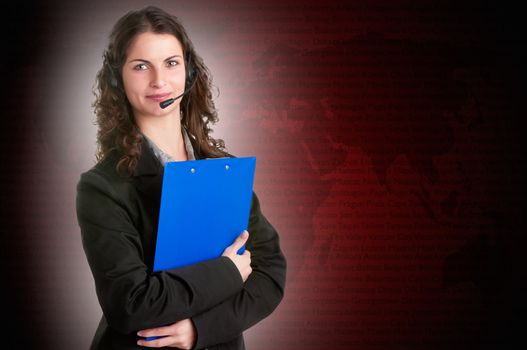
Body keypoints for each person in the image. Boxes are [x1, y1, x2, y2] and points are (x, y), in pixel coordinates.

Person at [76, 6, 286, 350]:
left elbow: (271, 272)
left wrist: (199, 330)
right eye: (141, 66)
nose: (159, 81)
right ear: (118, 78)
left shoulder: (224, 169)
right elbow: (130, 305)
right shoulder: (102, 187)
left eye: (171, 63)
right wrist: (228, 271)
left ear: (188, 73)